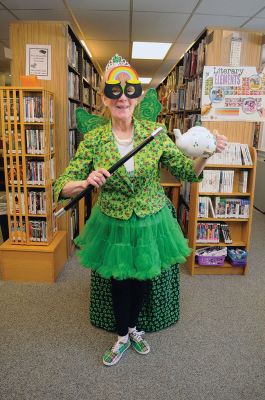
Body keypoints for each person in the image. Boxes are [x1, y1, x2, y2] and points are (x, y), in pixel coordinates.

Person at [54, 54, 228, 366]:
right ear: (105, 99)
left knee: (144, 278)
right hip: (114, 223)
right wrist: (84, 181)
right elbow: (62, 185)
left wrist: (208, 153)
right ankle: (122, 336)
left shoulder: (155, 133)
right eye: (115, 91)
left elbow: (187, 173)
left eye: (130, 90)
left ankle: (134, 328)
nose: (123, 97)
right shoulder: (93, 140)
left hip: (151, 220)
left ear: (137, 98)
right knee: (120, 282)